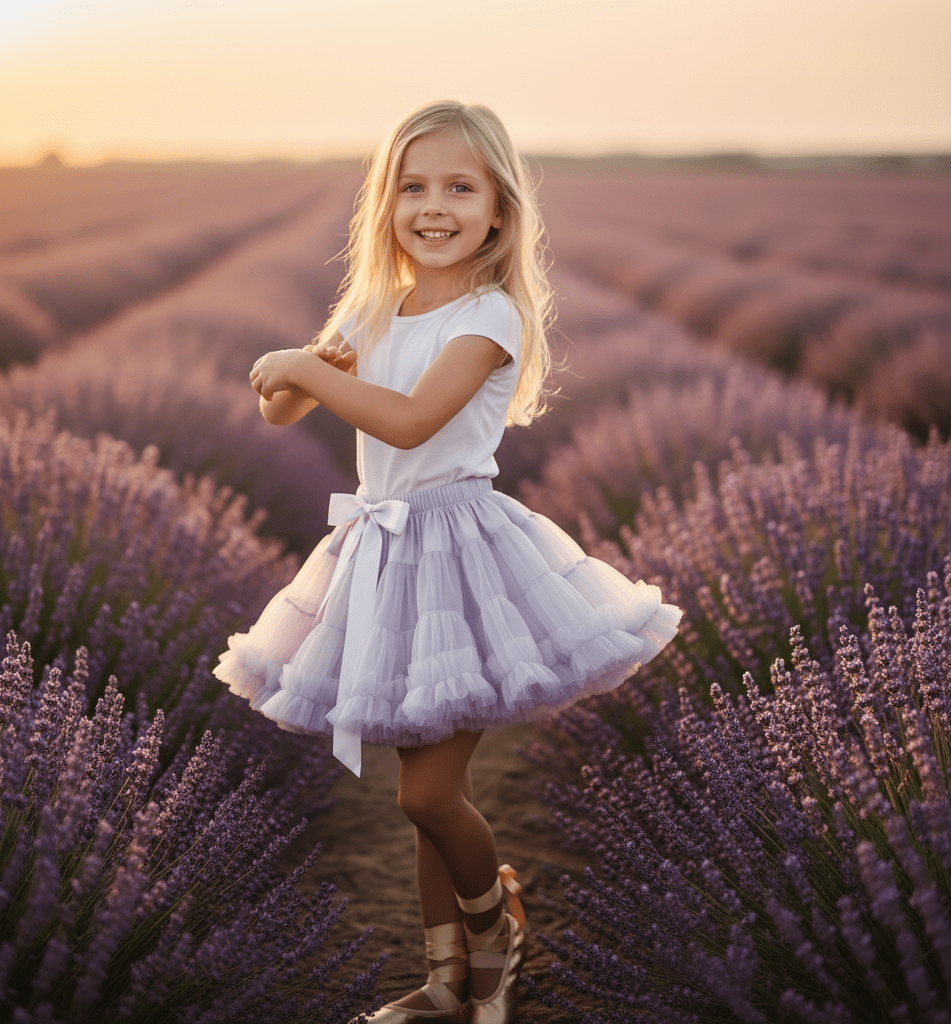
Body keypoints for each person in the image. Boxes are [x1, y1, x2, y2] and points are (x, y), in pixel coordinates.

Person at [214, 99, 683, 1024]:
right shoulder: (375, 305)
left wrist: (304, 369)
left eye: (460, 188)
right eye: (413, 187)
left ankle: (496, 938)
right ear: (386, 204)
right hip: (382, 557)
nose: (435, 207)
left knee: (428, 791)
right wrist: (296, 369)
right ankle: (442, 985)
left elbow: (410, 421)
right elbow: (280, 412)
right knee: (425, 793)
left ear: (499, 210)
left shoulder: (492, 317)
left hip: (462, 554)